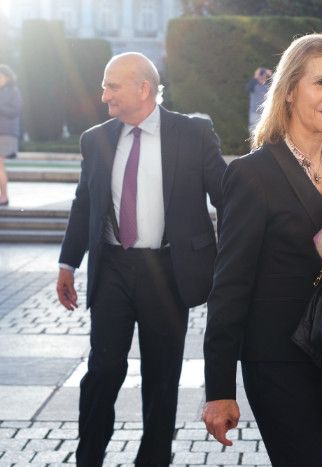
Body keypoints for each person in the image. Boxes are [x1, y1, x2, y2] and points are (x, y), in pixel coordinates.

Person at [202, 34, 322, 467]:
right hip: (278, 359)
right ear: (290, 90)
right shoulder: (252, 174)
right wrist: (219, 389)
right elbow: (229, 286)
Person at [56, 52, 226, 467]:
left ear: (143, 89)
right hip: (112, 267)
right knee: (103, 371)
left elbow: (228, 197)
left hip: (168, 273)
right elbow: (85, 204)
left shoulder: (193, 133)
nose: (104, 95)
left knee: (162, 377)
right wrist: (67, 263)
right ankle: (89, 457)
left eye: (112, 86)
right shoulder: (94, 139)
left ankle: (153, 460)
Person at [0, 64, 21, 206]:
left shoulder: (13, 91)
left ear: (7, 77)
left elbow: (16, 110)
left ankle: (4, 196)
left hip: (6, 133)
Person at [247, 67, 271, 133]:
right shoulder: (254, 86)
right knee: (253, 133)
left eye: (264, 77)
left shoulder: (267, 87)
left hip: (264, 114)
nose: (262, 79)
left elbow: (275, 83)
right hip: (254, 113)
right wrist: (256, 76)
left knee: (264, 133)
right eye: (261, 77)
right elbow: (248, 87)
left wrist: (269, 74)